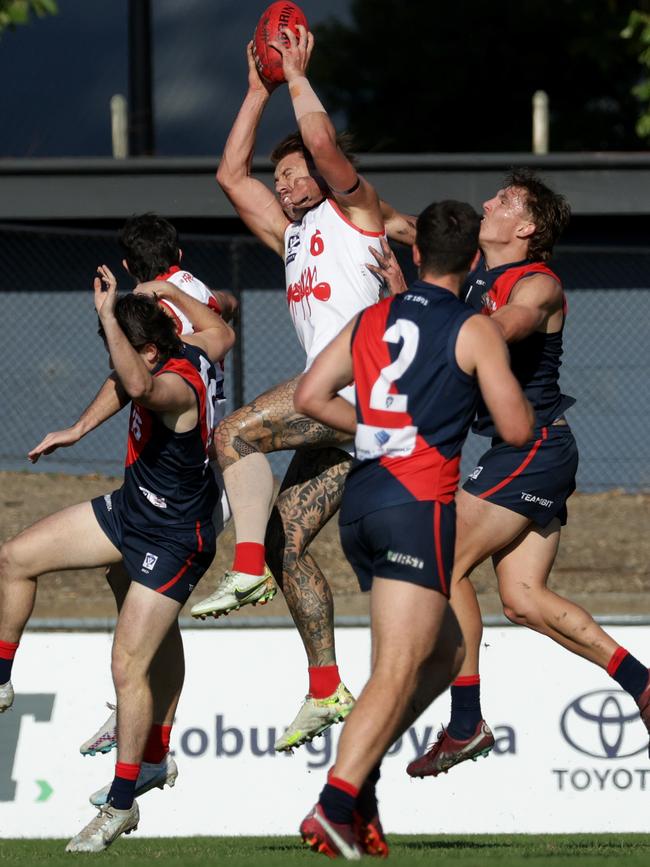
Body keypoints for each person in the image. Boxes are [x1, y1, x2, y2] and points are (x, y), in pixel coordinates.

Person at [372, 171, 650, 780]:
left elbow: (515, 322)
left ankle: (466, 720)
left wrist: (447, 333)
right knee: (523, 600)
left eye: (502, 201)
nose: (487, 203)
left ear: (524, 228)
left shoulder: (536, 281)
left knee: (437, 557)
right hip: (526, 453)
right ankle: (643, 684)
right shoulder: (473, 275)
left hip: (535, 450)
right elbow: (387, 216)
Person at [190, 25, 415, 752]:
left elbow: (322, 150)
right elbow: (230, 176)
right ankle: (326, 687)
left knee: (231, 433)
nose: (284, 182)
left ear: (325, 177)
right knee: (288, 539)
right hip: (348, 417)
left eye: (294, 174)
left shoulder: (356, 214)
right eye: (279, 176)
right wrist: (257, 90)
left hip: (361, 391)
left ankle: (244, 566)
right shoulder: (289, 235)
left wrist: (294, 77)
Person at [292, 200, 534, 857]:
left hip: (362, 505)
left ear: (417, 254)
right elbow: (515, 430)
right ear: (474, 261)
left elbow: (310, 396)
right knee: (399, 665)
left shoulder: (372, 317)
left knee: (446, 651)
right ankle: (336, 801)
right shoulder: (473, 327)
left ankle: (358, 788)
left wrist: (375, 426)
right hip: (416, 504)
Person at [0, 266, 233, 852]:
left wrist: (109, 316)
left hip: (175, 538)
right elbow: (218, 329)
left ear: (150, 351)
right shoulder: (197, 343)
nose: (115, 360)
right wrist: (78, 428)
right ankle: (2, 681)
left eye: (123, 350)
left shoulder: (174, 388)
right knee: (14, 558)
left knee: (128, 666)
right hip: (131, 510)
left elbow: (143, 388)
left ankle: (121, 805)